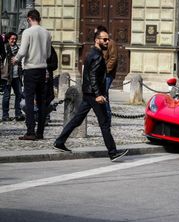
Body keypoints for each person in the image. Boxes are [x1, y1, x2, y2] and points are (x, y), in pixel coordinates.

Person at [53, 28, 128, 162]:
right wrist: (98, 94)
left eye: (107, 39)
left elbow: (88, 74)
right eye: (104, 39)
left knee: (77, 119)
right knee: (104, 123)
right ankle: (113, 152)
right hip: (93, 95)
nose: (107, 41)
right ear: (96, 40)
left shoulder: (91, 53)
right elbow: (93, 76)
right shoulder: (97, 56)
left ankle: (59, 142)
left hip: (88, 93)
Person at [12, 9, 51, 140]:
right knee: (41, 102)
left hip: (30, 69)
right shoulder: (47, 33)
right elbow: (49, 54)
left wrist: (15, 59)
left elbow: (22, 51)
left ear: (29, 19)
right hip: (42, 69)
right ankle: (40, 132)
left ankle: (30, 131)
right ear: (39, 18)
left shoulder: (28, 32)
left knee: (29, 101)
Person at [2, 32, 24, 121]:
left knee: (19, 95)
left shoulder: (18, 49)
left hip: (17, 76)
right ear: (8, 39)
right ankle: (5, 115)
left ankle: (18, 114)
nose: (14, 40)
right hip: (7, 76)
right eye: (12, 39)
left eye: (15, 39)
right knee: (6, 96)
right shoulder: (4, 48)